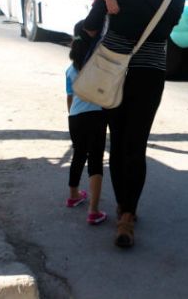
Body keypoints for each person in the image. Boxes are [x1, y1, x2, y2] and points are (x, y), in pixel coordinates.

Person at [84, 0, 186, 248]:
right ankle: (129, 214)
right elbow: (166, 29)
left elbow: (91, 24)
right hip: (151, 73)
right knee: (137, 145)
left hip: (114, 71)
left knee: (118, 142)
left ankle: (121, 211)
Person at [65, 20, 108, 225]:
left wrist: (72, 115)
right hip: (96, 115)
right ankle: (93, 210)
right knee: (96, 160)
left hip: (74, 117)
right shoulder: (97, 66)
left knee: (78, 154)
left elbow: (69, 97)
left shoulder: (70, 70)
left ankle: (73, 195)